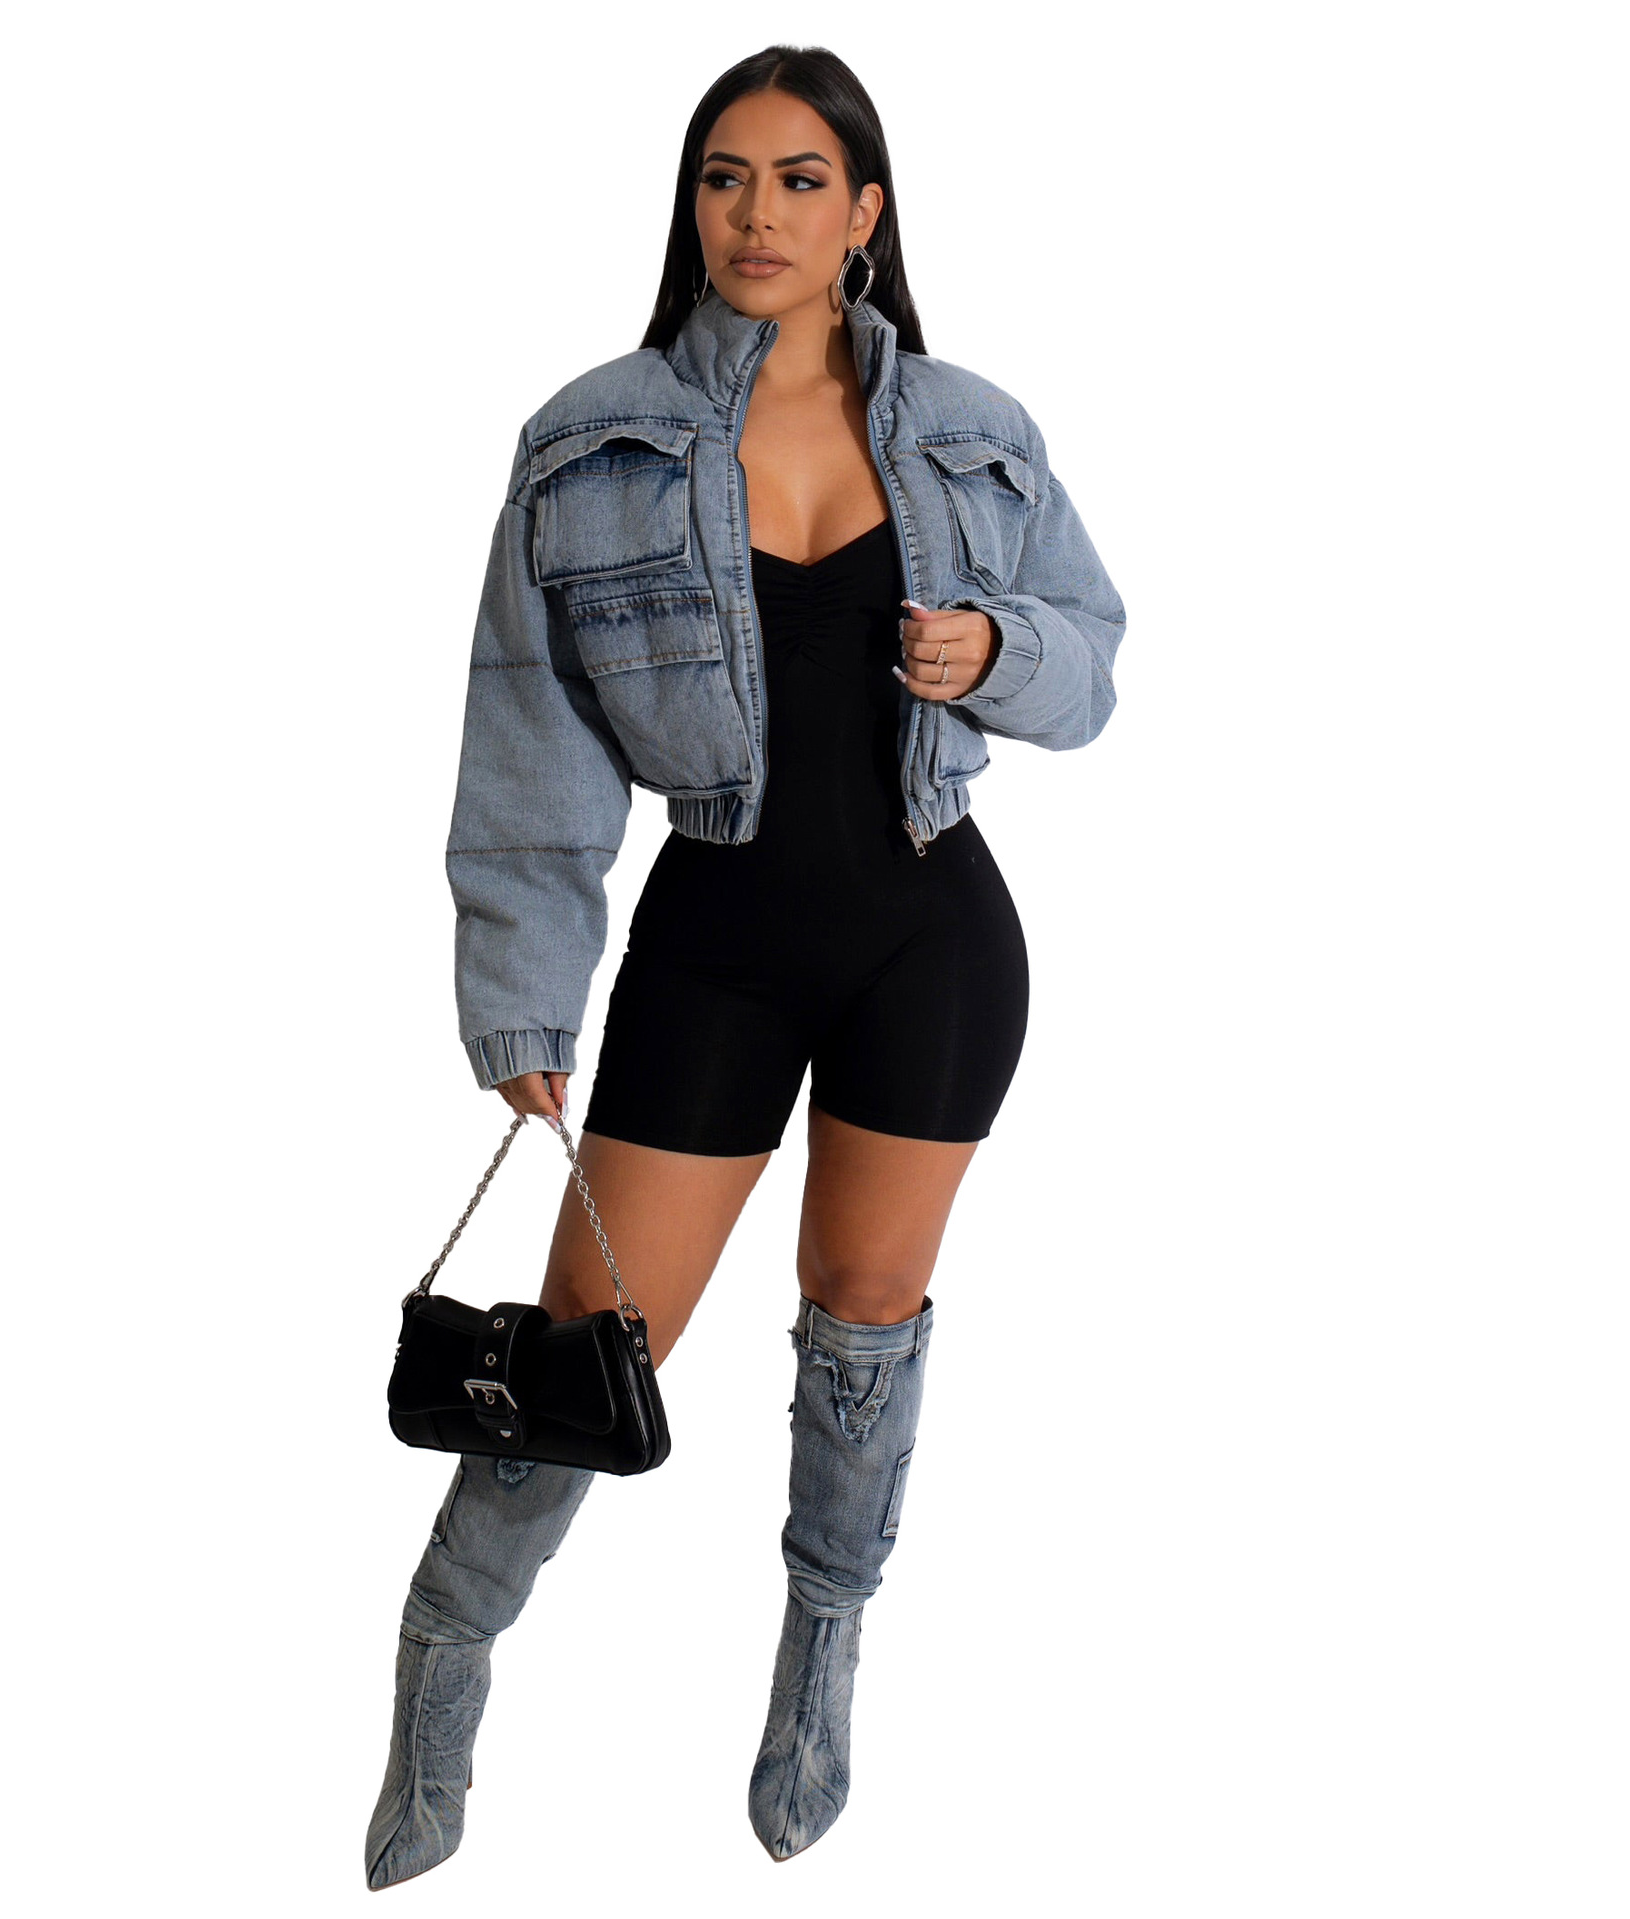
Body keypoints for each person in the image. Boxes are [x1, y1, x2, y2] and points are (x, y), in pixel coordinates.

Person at [365, 43, 1128, 1887]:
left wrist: (997, 652)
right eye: (725, 177)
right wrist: (523, 995)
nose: (757, 214)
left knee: (865, 1324)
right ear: (690, 205)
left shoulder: (976, 428)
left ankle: (819, 1658)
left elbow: (1093, 664)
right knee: (583, 1349)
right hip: (712, 946)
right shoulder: (591, 440)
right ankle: (441, 1667)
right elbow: (527, 740)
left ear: (866, 213)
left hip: (934, 939)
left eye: (799, 180)